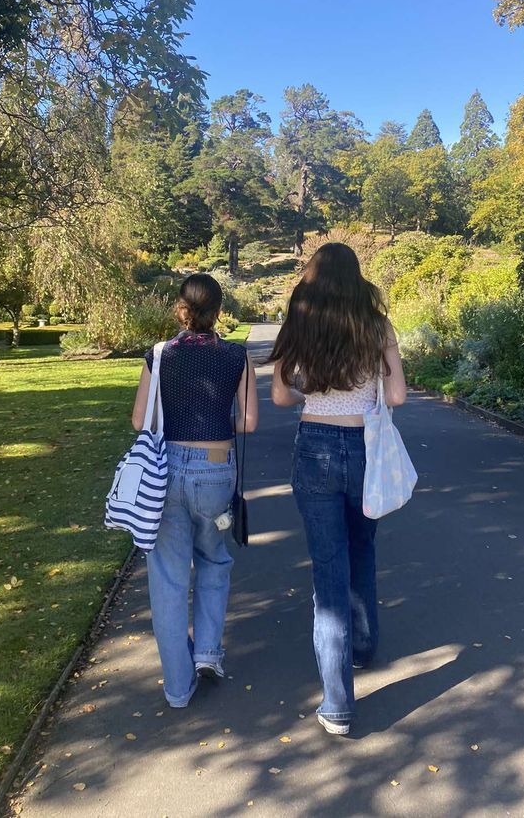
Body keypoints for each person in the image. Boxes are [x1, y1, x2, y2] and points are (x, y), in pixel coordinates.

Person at [269, 243, 406, 736]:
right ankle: (364, 646)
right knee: (363, 547)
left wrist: (316, 389)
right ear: (356, 277)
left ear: (314, 276)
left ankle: (337, 704)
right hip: (366, 446)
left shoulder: (299, 325)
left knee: (329, 570)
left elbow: (282, 396)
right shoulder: (376, 326)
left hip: (316, 444)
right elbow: (396, 395)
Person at [131, 273, 258, 708]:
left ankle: (178, 688)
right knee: (213, 560)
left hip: (165, 471)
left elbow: (139, 421)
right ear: (218, 312)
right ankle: (208, 652)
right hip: (216, 470)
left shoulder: (159, 356)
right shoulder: (237, 357)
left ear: (180, 310)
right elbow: (248, 422)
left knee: (167, 577)